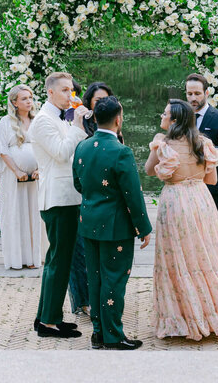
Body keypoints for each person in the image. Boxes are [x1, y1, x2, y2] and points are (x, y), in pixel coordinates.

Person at [145, 99, 218, 340]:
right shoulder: (203, 143)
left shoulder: (162, 143)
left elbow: (149, 171)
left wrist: (155, 149)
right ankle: (212, 314)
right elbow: (212, 180)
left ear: (174, 120)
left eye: (164, 113)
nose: (161, 116)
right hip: (200, 201)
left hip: (174, 202)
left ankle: (183, 318)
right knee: (205, 255)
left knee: (177, 259)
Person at [73, 96, 153, 350]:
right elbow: (133, 194)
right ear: (118, 119)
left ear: (95, 118)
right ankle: (113, 335)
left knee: (95, 279)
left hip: (88, 223)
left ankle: (98, 333)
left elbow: (78, 184)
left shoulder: (82, 147)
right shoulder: (121, 151)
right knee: (115, 280)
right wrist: (143, 228)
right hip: (115, 226)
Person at [28, 72, 85, 338]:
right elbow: (62, 153)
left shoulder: (61, 118)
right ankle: (49, 323)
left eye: (72, 90)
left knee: (56, 259)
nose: (70, 95)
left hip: (68, 196)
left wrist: (77, 125)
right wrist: (77, 125)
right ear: (50, 92)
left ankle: (46, 316)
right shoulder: (42, 121)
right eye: (65, 90)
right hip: (57, 197)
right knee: (59, 260)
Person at [67, 80, 114, 317]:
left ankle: (102, 296)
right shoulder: (78, 122)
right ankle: (81, 300)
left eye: (106, 99)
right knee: (79, 250)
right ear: (88, 102)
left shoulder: (114, 124)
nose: (102, 104)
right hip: (83, 194)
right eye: (97, 100)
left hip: (107, 199)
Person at [0, 85, 43, 270]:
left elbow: (45, 148)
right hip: (14, 179)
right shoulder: (5, 122)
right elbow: (2, 150)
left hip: (35, 180)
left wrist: (40, 168)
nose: (29, 101)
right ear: (14, 102)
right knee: (16, 213)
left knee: (34, 215)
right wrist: (17, 171)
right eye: (24, 98)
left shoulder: (38, 121)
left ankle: (34, 258)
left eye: (30, 97)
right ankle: (17, 258)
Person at [185, 73, 218, 216]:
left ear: (206, 93)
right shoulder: (181, 118)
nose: (193, 98)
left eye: (197, 93)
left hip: (212, 185)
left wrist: (207, 149)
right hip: (186, 185)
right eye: (189, 94)